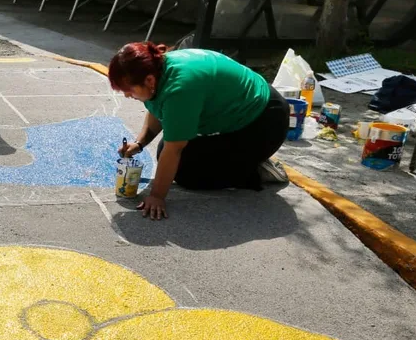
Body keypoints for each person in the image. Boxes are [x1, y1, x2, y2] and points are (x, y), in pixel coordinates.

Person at [109, 42, 290, 221]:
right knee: (167, 148)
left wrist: (156, 196)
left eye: (128, 90)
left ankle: (255, 170)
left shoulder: (180, 88)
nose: (126, 95)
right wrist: (140, 144)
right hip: (249, 110)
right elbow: (159, 109)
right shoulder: (157, 69)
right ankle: (243, 159)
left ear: (148, 80)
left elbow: (175, 149)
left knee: (187, 173)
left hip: (265, 124)